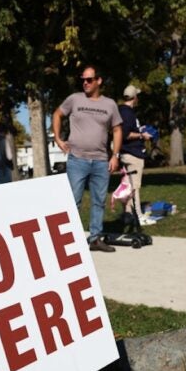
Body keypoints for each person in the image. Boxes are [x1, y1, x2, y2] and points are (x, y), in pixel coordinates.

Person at [53, 65, 123, 252]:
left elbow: (117, 130)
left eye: (89, 79)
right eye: (83, 79)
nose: (85, 82)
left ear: (99, 81)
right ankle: (68, 242)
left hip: (101, 161)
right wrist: (58, 139)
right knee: (73, 200)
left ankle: (95, 239)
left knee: (98, 201)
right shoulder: (74, 99)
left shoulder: (110, 104)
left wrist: (115, 156)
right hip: (77, 159)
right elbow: (57, 114)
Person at [117, 84, 154, 226]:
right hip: (133, 154)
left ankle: (127, 215)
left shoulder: (121, 111)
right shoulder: (127, 113)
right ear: (135, 97)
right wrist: (141, 135)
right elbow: (125, 134)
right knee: (134, 187)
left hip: (126, 154)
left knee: (127, 186)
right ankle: (139, 217)